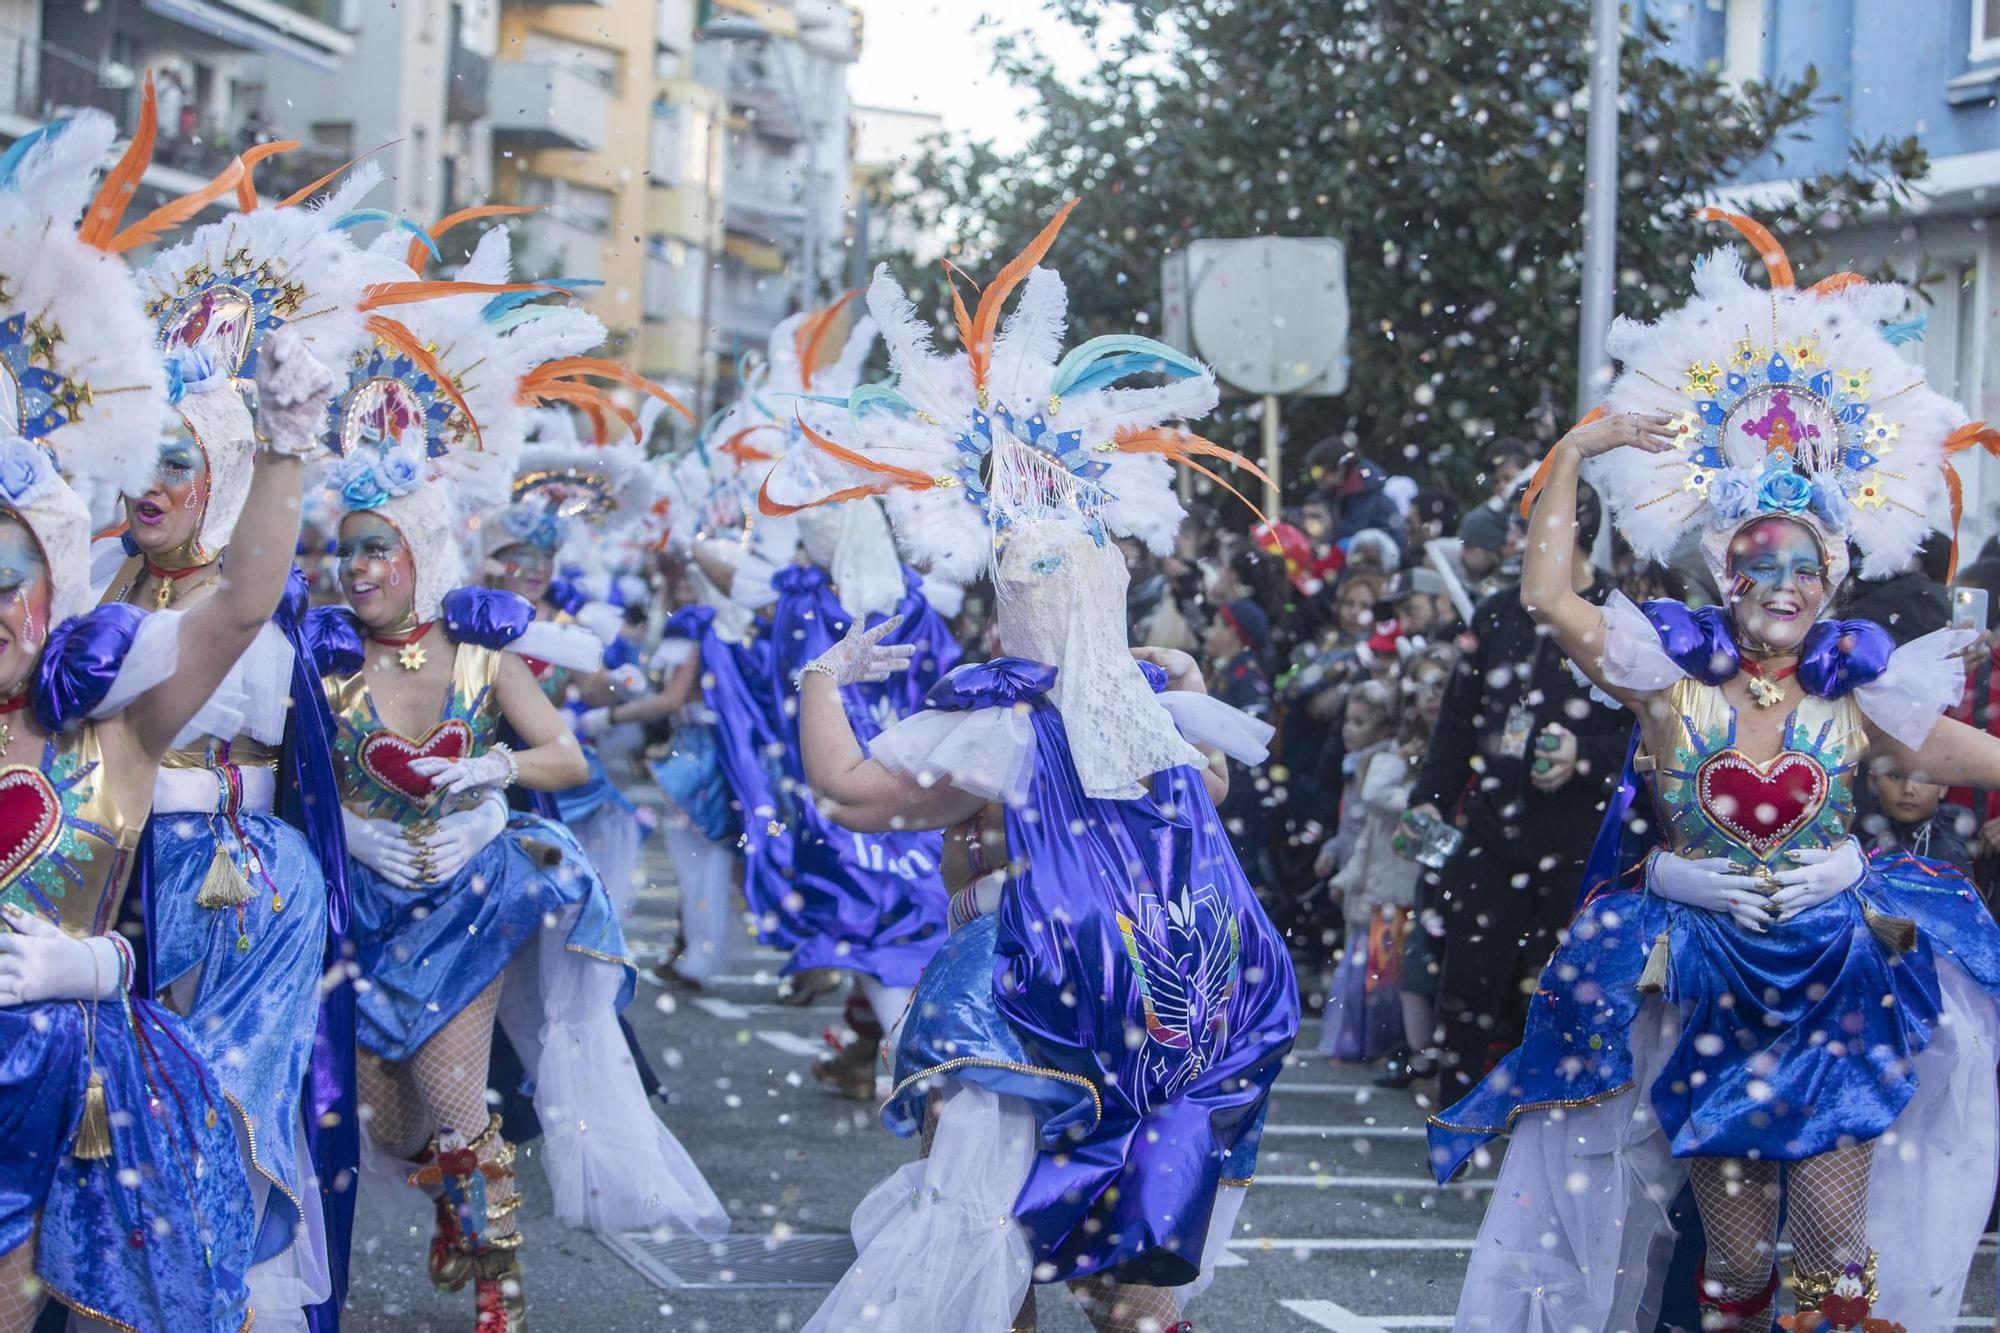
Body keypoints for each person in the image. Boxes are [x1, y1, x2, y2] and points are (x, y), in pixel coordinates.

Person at [1429, 215, 2000, 1330]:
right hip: (1705, 977)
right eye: (1754, 561)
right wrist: (1579, 455)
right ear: (1720, 570)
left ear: (1832, 576)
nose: (1776, 582)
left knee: (1834, 1255)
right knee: (1734, 1269)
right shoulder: (1661, 678)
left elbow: (1958, 756)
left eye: (1800, 564)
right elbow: (1549, 595)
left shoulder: (1853, 689)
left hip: (1833, 972)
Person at [779, 206, 1296, 1333]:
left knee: (984, 1232)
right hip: (1194, 997)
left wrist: (826, 674)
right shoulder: (1162, 713)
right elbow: (1207, 794)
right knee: (1135, 1274)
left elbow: (850, 792)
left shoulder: (1008, 722)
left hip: (1044, 991)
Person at [311, 224, 726, 1331]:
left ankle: (500, 1280)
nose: (355, 568)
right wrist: (354, 835)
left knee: (452, 1094)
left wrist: (485, 772)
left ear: (422, 551)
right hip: (358, 908)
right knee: (387, 1115)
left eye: (375, 547)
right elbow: (280, 775)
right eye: (344, 548)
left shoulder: (482, 650)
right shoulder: (321, 658)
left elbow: (566, 755)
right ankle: (452, 1203)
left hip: (466, 898)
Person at [0, 102, 327, 1333]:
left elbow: (243, 604)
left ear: (53, 581)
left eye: (10, 575)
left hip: (76, 1081)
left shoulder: (109, 709)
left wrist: (287, 446)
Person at [102, 149, 394, 1332]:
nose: (148, 482)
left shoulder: (256, 607)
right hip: (114, 890)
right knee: (115, 1131)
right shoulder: (92, 589)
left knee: (219, 1115)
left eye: (177, 461)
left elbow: (247, 654)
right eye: (140, 457)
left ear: (220, 476)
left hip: (237, 898)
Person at [1408, 474, 1628, 1101]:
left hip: (1579, 842)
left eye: (1529, 525)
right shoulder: (1497, 612)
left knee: (1568, 987)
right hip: (1491, 832)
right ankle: (1455, 1118)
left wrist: (1583, 756)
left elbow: (1648, 737)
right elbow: (1457, 721)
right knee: (1467, 981)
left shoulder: (1618, 619)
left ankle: (1559, 1119)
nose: (1514, 541)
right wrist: (1426, 800)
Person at [1315, 679, 1413, 1063]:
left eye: (1359, 722)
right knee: (1364, 962)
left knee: (1373, 966)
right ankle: (1360, 1041)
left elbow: (1365, 823)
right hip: (1360, 872)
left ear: (1385, 728)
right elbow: (1353, 829)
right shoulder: (1356, 764)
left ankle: (1365, 1042)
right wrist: (1335, 851)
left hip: (1379, 877)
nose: (1348, 729)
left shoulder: (1381, 765)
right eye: (1348, 720)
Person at [1860, 769, 1976, 875]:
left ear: (1943, 786)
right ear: (1873, 781)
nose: (1908, 789)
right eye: (1896, 776)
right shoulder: (1866, 844)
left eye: (1922, 778)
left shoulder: (1948, 857)